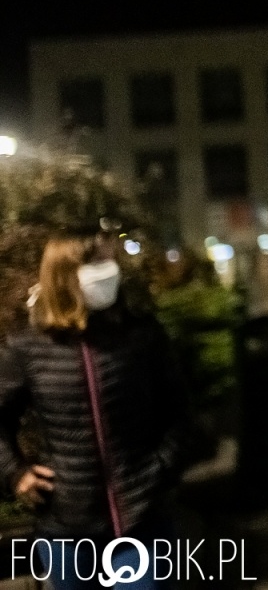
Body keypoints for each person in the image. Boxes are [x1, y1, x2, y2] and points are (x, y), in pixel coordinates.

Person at [0, 227, 198, 590]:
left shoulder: (142, 335)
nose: (109, 269)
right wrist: (15, 473)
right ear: (63, 272)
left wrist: (161, 468)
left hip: (141, 521)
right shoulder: (28, 347)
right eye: (96, 261)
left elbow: (180, 412)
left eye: (111, 259)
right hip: (66, 528)